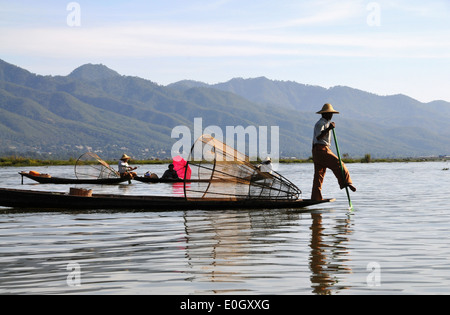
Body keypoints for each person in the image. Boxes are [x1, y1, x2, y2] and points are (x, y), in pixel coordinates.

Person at [311, 103, 356, 201]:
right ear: (325, 114)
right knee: (339, 164)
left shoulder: (325, 123)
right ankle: (347, 182)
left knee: (319, 175)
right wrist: (329, 129)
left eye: (332, 114)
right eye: (330, 113)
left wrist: (328, 128)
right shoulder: (320, 124)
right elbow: (319, 137)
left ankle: (316, 197)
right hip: (321, 150)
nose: (331, 115)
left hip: (319, 150)